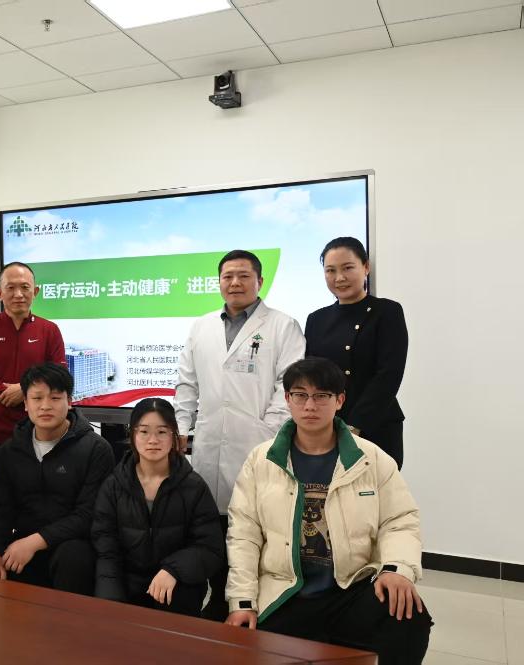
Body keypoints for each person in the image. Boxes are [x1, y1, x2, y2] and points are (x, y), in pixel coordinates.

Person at [225, 358, 431, 664]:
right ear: (288, 399)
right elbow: (244, 534)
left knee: (409, 616)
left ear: (340, 401)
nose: (310, 405)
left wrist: (396, 569)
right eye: (300, 395)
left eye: (321, 396)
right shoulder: (261, 460)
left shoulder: (371, 459)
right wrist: (242, 601)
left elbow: (399, 521)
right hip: (285, 591)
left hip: (349, 589)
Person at [174, 249, 305, 618]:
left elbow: (289, 384)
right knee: (211, 524)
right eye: (227, 276)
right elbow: (187, 382)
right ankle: (219, 597)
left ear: (260, 281)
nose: (235, 282)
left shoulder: (282, 326)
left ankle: (249, 601)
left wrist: (270, 429)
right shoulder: (201, 327)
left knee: (252, 525)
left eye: (244, 275)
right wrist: (181, 426)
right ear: (219, 282)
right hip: (209, 441)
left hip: (258, 442)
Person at [0, 362, 114, 595]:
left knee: (73, 557)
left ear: (69, 401)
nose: (45, 406)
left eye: (55, 398)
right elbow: (1, 511)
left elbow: (89, 514)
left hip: (74, 546)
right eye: (37, 398)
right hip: (23, 547)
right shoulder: (10, 451)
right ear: (25, 403)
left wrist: (35, 541)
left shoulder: (96, 449)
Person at [92, 398, 224, 615]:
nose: (153, 440)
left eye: (162, 432)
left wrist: (172, 569)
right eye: (144, 431)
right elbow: (106, 548)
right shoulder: (114, 485)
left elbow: (210, 548)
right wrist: (110, 599)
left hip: (175, 584)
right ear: (133, 435)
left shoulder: (193, 487)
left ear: (174, 436)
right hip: (128, 581)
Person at [304, 237, 408, 467]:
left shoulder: (386, 311)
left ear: (366, 267)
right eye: (330, 270)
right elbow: (310, 376)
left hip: (375, 427)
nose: (339, 277)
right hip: (327, 428)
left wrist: (353, 427)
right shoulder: (316, 319)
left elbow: (389, 374)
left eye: (348, 268)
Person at [0, 262, 66, 462]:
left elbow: (59, 374)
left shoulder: (49, 330)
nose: (18, 294)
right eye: (10, 288)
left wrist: (24, 389)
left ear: (35, 291)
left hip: (38, 432)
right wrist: (5, 390)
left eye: (25, 287)